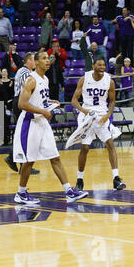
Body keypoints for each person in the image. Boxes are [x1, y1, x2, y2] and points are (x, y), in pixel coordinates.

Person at [13, 51, 88, 204]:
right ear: (36, 62)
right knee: (29, 161)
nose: (48, 61)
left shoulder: (45, 79)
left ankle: (68, 191)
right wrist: (43, 111)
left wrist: (51, 102)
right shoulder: (30, 80)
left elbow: (39, 100)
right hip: (30, 123)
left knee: (55, 157)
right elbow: (22, 104)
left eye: (48, 58)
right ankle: (20, 193)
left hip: (42, 122)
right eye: (44, 59)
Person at [71, 58, 127, 192]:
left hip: (102, 115)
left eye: (104, 65)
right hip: (86, 115)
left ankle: (116, 178)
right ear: (93, 65)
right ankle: (80, 179)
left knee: (110, 143)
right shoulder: (84, 78)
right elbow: (74, 101)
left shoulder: (109, 80)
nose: (102, 67)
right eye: (99, 64)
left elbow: (112, 101)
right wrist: (85, 112)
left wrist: (108, 115)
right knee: (85, 147)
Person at [4, 52, 40, 175]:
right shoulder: (26, 73)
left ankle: (15, 159)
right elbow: (29, 91)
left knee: (22, 132)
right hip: (21, 102)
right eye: (34, 60)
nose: (35, 62)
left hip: (17, 101)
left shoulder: (20, 71)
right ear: (28, 61)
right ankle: (21, 164)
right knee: (25, 133)